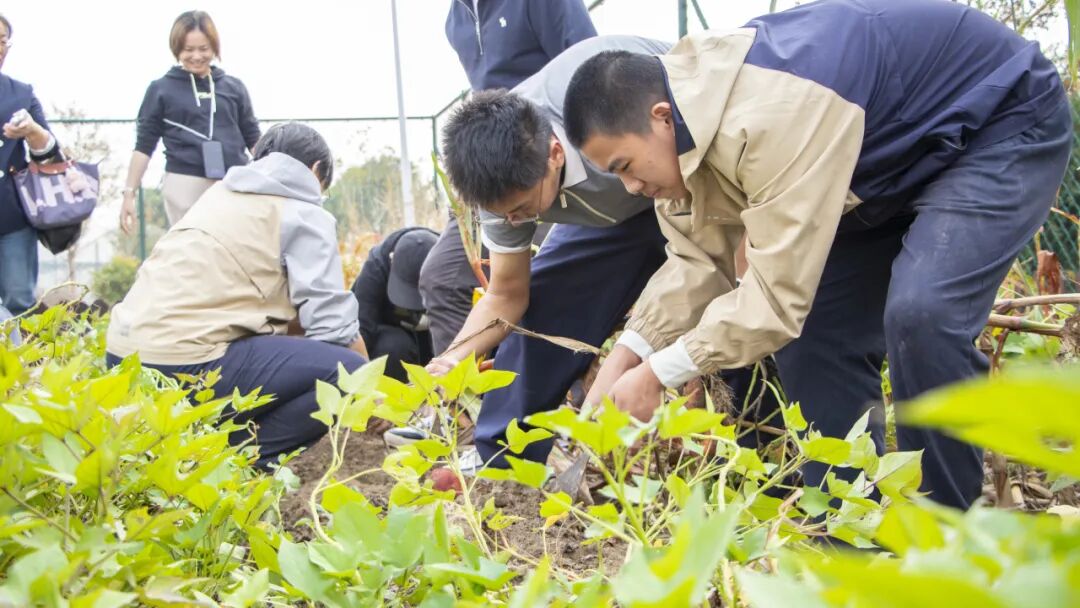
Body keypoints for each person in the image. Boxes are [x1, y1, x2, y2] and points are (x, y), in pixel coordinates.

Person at [563, 0, 1071, 510]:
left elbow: (773, 299)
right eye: (616, 174)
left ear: (661, 117)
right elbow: (697, 263)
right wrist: (627, 356)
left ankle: (945, 532)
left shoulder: (770, 112)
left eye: (627, 164)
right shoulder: (680, 152)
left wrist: (657, 374)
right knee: (815, 336)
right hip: (877, 172)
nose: (630, 186)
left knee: (925, 314)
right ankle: (849, 526)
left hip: (995, 120)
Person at [107, 123, 366, 468]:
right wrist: (368, 382)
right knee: (347, 373)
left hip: (123, 362)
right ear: (316, 171)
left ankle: (188, 444)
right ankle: (241, 457)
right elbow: (333, 327)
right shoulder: (302, 208)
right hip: (185, 364)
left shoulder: (217, 197)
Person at [421, 0, 598, 355]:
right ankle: (464, 394)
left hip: (547, 165)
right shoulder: (456, 19)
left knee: (549, 277)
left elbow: (591, 70)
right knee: (442, 276)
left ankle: (566, 393)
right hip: (493, 172)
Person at [120, 10, 260, 232]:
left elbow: (253, 137)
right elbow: (143, 147)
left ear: (214, 47)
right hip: (184, 183)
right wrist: (129, 193)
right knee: (193, 250)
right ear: (177, 49)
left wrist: (272, 174)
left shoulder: (233, 87)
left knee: (233, 248)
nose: (196, 56)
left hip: (232, 181)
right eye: (188, 50)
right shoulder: (160, 90)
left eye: (203, 49)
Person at [0, 13, 64, 316]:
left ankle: (16, 362)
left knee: (18, 301)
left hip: (11, 216)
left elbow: (51, 154)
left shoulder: (20, 94)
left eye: (2, 41)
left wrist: (32, 132)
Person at [349, 226, 438, 383]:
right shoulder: (376, 267)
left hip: (434, 333)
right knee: (394, 346)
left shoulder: (453, 258)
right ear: (392, 260)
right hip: (393, 338)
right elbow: (361, 330)